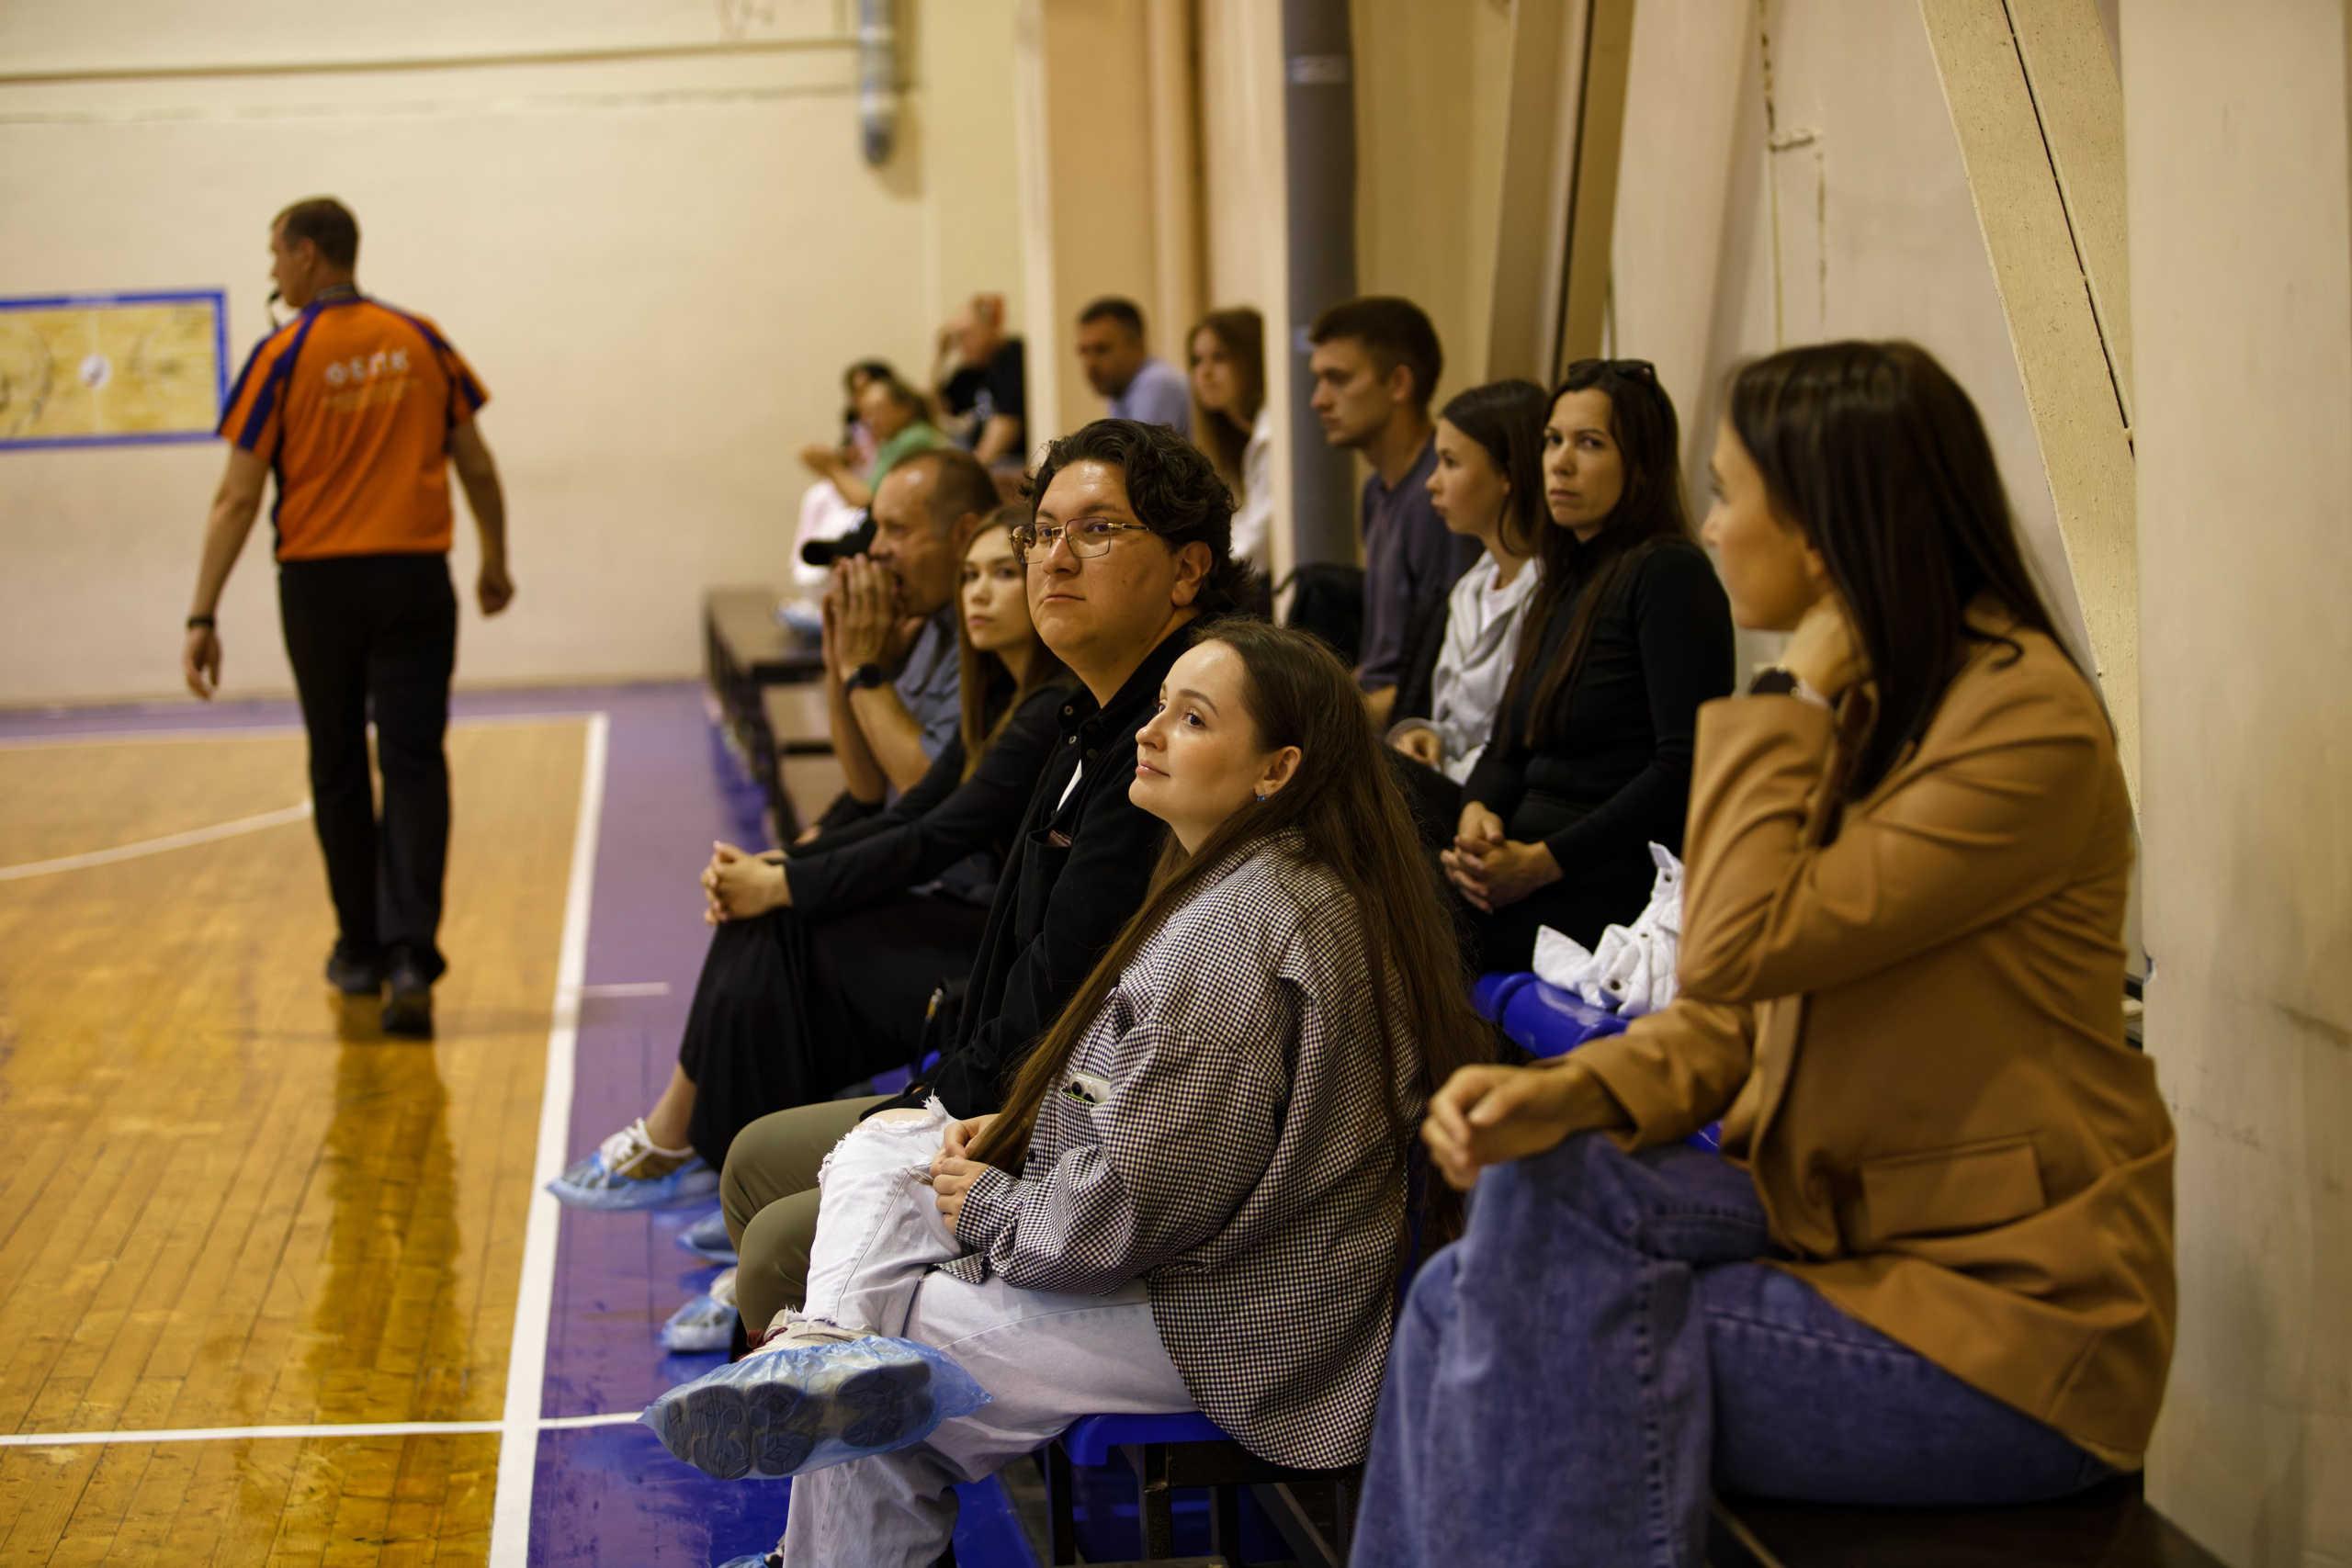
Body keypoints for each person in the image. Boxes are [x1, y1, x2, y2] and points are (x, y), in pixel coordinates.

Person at [1359, 341, 2174, 1567]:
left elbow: (1737, 945)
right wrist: (1554, 1092)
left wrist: (1786, 694)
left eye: (1734, 492)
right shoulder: (1886, 703)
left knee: (1518, 1317)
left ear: (1827, 527)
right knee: (1494, 1237)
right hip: (1855, 1236)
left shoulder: (2022, 723)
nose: (1715, 524)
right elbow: (1734, 1015)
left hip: (2007, 1320)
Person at [650, 624, 1490, 1568]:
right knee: (885, 1156)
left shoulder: (1233, 932)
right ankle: (823, 1345)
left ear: (1275, 768)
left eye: (1194, 718)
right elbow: (1149, 1128)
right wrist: (1025, 1138)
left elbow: (1139, 1207)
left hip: (1244, 1321)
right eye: (1163, 704)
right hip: (1213, 1264)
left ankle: (827, 1408)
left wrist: (1002, 1203)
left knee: (899, 1356)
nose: (1153, 731)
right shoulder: (1261, 880)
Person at [717, 418, 1251, 1342]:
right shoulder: (1083, 712)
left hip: (1084, 1129)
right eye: (1042, 532)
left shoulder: (1171, 745)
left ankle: (816, 1357)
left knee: (776, 1247)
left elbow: (1071, 993)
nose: (1054, 559)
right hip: (1008, 1079)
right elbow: (922, 825)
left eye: (1097, 530)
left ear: (1186, 571)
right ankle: (798, 1344)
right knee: (756, 1163)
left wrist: (932, 1110)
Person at [549, 511, 1072, 1207]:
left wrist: (786, 882)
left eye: (1004, 573)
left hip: (990, 948)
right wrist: (778, 870)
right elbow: (905, 811)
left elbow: (933, 832)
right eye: (971, 576)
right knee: (769, 921)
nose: (977, 592)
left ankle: (726, 1166)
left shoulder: (1045, 706)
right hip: (959, 911)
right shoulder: (1003, 693)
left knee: (785, 937)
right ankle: (728, 1164)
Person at [181, 196, 510, 1038]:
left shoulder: (281, 355)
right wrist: (494, 558)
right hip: (415, 582)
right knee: (412, 763)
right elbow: (475, 463)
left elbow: (237, 496)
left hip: (320, 588)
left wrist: (202, 611)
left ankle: (358, 950)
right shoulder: (422, 339)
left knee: (336, 762)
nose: (271, 272)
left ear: (309, 254)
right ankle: (412, 961)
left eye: (276, 254)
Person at [1443, 360, 1735, 972]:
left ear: (1644, 464)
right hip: (1520, 862)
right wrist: (1477, 816)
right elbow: (1505, 749)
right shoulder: (1564, 578)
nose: (1560, 462)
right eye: (1553, 441)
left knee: (1385, 916)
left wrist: (1542, 861)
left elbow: (1685, 767)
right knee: (1363, 785)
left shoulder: (1670, 573)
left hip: (1603, 880)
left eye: (1590, 443)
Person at [1307, 297, 1480, 727]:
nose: (1318, 400)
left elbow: (1438, 683)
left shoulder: (1438, 499)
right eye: (1319, 380)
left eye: (1338, 379)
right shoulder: (1376, 491)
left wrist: (1327, 729)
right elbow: (1382, 658)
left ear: (1398, 384)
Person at [815, 448, 1000, 826]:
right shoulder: (925, 620)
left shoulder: (992, 639)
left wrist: (862, 667)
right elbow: (866, 789)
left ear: (964, 534)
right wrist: (840, 662)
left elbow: (928, 798)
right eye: (877, 527)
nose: (877, 549)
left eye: (896, 529)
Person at [1387, 379, 1545, 803]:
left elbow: (1518, 746)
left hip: (1493, 800)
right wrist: (1422, 735)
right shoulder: (1473, 586)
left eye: (1451, 463)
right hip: (1447, 782)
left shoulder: (1548, 594)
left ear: (1508, 474)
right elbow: (1456, 726)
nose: (1431, 483)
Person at [1188, 307, 1272, 578]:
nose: (1205, 373)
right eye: (1197, 361)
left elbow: (1259, 545)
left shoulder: (1270, 435)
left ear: (1252, 360)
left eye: (1220, 358)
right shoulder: (1236, 439)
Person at [798, 376, 947, 513]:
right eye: (866, 413)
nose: (869, 420)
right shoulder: (890, 441)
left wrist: (831, 467)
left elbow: (868, 500)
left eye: (877, 410)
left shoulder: (914, 438)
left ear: (904, 410)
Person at [1075, 297, 1192, 438]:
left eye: (1102, 349)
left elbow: (1140, 458)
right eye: (1084, 352)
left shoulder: (1157, 383)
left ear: (1137, 346)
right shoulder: (1119, 389)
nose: (1090, 364)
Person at [933, 293, 1026, 466]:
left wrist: (975, 470)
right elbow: (928, 410)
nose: (962, 345)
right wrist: (939, 357)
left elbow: (1007, 422)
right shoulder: (968, 372)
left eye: (967, 335)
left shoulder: (1013, 355)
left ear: (991, 328)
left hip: (1015, 464)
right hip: (986, 465)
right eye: (957, 338)